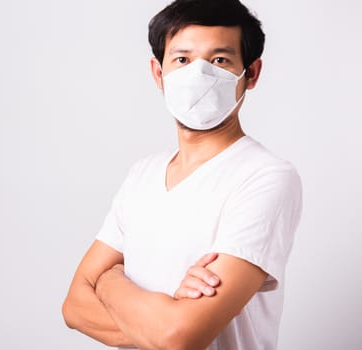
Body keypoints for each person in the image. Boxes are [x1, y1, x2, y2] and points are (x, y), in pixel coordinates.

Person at [62, 0, 302, 349]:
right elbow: (73, 308)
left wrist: (108, 281)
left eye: (219, 60)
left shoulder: (266, 177)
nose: (199, 74)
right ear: (159, 74)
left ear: (250, 73)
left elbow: (180, 337)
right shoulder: (142, 174)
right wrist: (162, 319)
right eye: (182, 59)